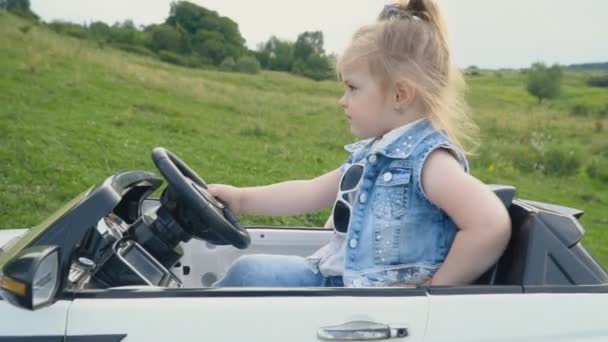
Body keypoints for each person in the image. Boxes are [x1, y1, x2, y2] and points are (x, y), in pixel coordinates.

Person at [208, 0, 511, 288]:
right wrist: (241, 199)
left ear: (399, 95)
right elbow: (310, 191)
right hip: (334, 280)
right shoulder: (372, 155)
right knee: (247, 271)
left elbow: (490, 224)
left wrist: (434, 289)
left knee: (247, 275)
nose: (343, 101)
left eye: (353, 88)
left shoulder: (430, 163)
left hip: (364, 300)